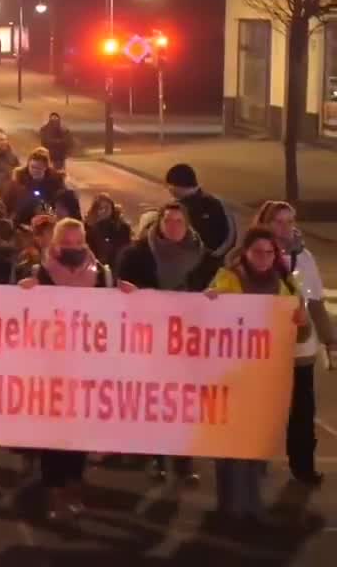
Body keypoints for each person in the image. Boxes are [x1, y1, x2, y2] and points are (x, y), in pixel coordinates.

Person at [19, 218, 125, 520]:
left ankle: (74, 487)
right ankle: (54, 491)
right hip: (51, 368)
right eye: (67, 244)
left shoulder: (102, 275)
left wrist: (128, 294)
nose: (74, 249)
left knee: (79, 434)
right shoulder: (40, 274)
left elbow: (114, 315)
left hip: (86, 368)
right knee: (53, 436)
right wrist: (21, 294)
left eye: (78, 243)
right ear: (55, 244)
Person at [207, 227, 309, 524]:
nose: (263, 258)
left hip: (263, 378)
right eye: (257, 252)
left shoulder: (285, 286)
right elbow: (204, 320)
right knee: (230, 444)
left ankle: (249, 503)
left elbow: (300, 333)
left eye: (269, 252)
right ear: (245, 253)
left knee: (254, 444)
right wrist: (209, 300)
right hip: (229, 375)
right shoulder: (227, 279)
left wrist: (301, 320)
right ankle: (230, 504)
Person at [115, 202, 221, 482]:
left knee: (184, 402)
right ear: (159, 224)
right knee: (155, 400)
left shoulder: (204, 258)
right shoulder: (136, 255)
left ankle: (184, 462)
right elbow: (120, 289)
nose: (173, 227)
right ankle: (158, 458)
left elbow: (218, 289)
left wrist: (214, 297)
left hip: (188, 339)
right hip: (149, 338)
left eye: (179, 222)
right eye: (168, 221)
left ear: (187, 226)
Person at [253, 200, 335, 486]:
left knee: (302, 410)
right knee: (261, 409)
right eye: (278, 221)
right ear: (265, 223)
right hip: (262, 348)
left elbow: (315, 303)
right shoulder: (252, 255)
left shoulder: (305, 258)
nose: (285, 228)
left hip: (300, 348)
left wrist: (330, 340)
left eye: (290, 221)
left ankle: (303, 467)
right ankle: (255, 463)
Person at [165, 163, 236, 259]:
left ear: (175, 186)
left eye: (169, 186)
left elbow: (229, 237)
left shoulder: (215, 203)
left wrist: (209, 259)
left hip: (207, 264)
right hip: (187, 262)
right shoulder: (175, 205)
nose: (168, 189)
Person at [3, 147, 65, 226]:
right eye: (32, 167)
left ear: (45, 168)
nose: (35, 171)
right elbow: (8, 201)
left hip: (47, 221)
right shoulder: (19, 181)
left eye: (39, 168)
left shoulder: (55, 182)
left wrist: (51, 214)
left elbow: (57, 203)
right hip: (21, 222)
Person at [86, 194, 132, 271]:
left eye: (106, 208)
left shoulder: (121, 228)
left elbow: (124, 250)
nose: (104, 211)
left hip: (115, 268)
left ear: (112, 209)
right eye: (100, 208)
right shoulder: (88, 227)